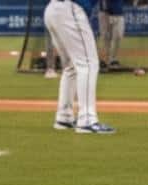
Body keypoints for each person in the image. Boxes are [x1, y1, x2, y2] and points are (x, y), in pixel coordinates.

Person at [44, 0, 114, 133]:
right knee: (88, 63)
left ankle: (64, 117)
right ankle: (87, 120)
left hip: (53, 9)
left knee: (71, 65)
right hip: (71, 8)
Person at [100, 0, 125, 69]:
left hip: (118, 11)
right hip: (105, 13)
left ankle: (113, 59)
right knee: (105, 37)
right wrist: (105, 8)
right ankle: (105, 60)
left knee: (119, 35)